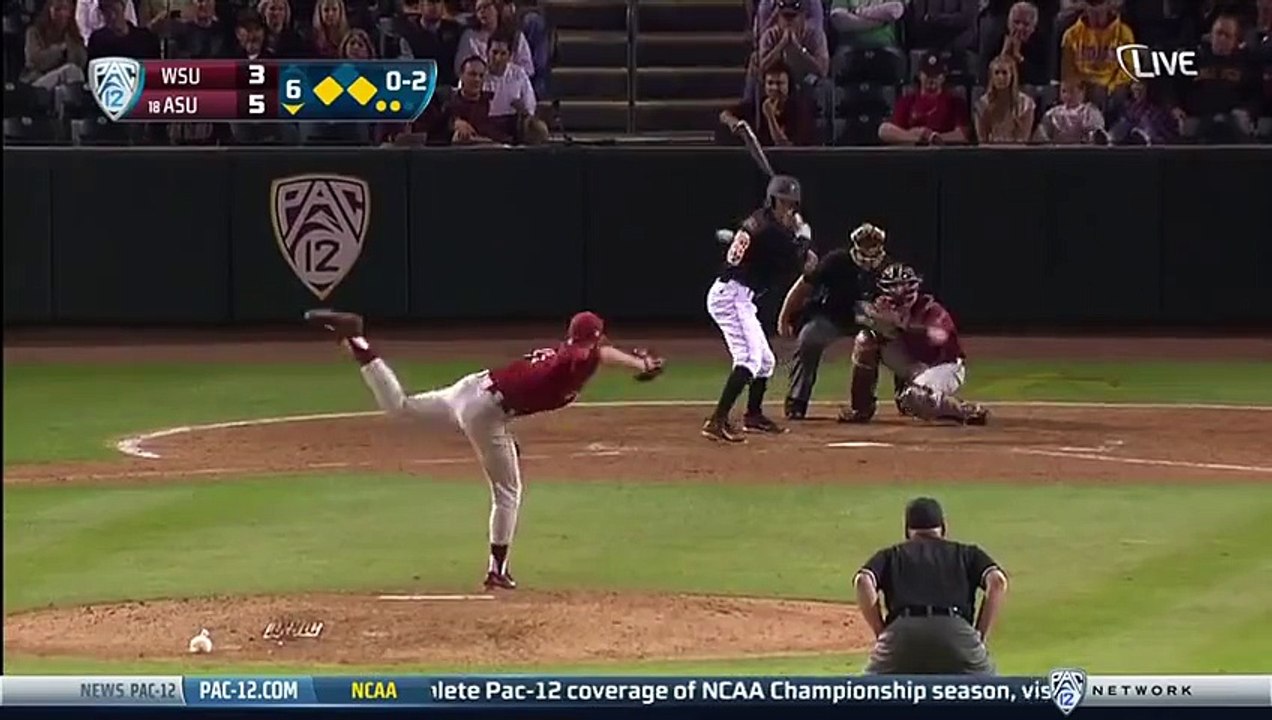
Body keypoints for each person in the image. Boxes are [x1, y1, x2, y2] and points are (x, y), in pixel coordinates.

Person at [303, 309, 664, 590]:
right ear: (588, 340)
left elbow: (594, 354)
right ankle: (497, 570)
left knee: (401, 407)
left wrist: (637, 363)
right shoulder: (573, 361)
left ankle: (358, 342)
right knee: (508, 492)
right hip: (485, 412)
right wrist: (633, 362)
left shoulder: (573, 353)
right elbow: (592, 355)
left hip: (472, 390)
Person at [703, 176, 816, 443]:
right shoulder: (770, 230)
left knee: (766, 361)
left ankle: (753, 416)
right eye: (785, 203)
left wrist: (796, 237)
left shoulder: (762, 220)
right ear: (774, 200)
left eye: (792, 204)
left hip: (739, 295)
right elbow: (795, 257)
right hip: (731, 296)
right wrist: (804, 237)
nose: (789, 209)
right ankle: (716, 421)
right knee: (749, 360)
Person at [855, 497, 1008, 674]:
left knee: (866, 693)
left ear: (907, 530)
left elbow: (863, 581)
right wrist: (979, 636)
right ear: (943, 527)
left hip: (902, 634)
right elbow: (997, 582)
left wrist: (881, 632)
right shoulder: (966, 553)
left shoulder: (892, 555)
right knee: (992, 692)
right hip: (956, 633)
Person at [776, 222, 900, 422]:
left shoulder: (889, 268)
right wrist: (784, 317)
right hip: (834, 316)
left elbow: (900, 306)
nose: (868, 257)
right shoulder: (836, 261)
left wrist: (889, 324)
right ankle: (796, 400)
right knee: (809, 338)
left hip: (871, 322)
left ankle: (875, 402)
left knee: (896, 342)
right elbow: (804, 285)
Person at [855, 263, 988, 424]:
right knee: (865, 340)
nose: (899, 292)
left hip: (944, 366)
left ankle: (964, 410)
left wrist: (899, 325)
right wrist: (876, 322)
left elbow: (938, 338)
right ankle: (861, 408)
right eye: (893, 287)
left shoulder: (932, 310)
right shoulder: (882, 307)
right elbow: (862, 315)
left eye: (903, 286)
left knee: (915, 399)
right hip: (913, 365)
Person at [877, 52, 970, 145]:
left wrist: (934, 137)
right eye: (927, 74)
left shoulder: (955, 102)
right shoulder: (908, 101)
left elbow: (963, 135)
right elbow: (886, 131)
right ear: (920, 75)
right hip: (912, 151)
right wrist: (916, 136)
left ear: (943, 77)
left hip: (943, 152)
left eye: (936, 75)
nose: (931, 79)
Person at [972, 55, 1035, 143]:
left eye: (1004, 73)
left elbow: (1024, 138)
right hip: (990, 153)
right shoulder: (982, 105)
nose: (1000, 77)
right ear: (991, 77)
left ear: (1012, 75)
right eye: (996, 73)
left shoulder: (1025, 104)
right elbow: (982, 140)